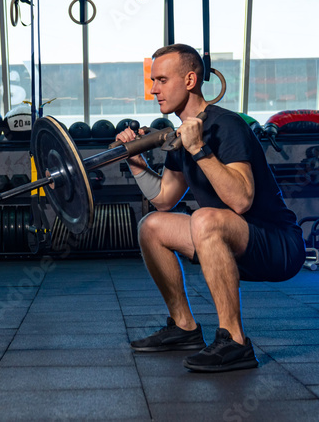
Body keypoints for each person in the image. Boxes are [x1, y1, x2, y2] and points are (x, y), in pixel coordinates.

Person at [117, 44, 306, 372]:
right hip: (229, 241)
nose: (153, 89)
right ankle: (184, 328)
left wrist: (199, 148)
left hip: (276, 244)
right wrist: (136, 163)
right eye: (153, 80)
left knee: (205, 218)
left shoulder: (226, 126)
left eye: (161, 80)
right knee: (152, 225)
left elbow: (241, 200)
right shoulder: (182, 134)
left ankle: (234, 342)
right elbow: (164, 198)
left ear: (189, 80)